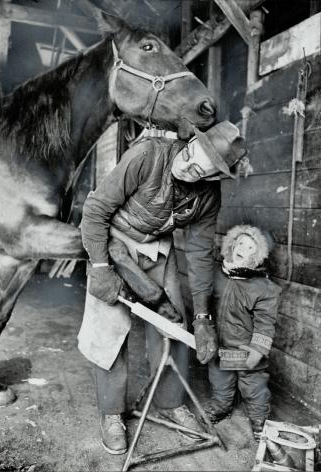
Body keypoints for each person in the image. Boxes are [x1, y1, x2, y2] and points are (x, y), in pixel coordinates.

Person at [78, 121, 247, 455]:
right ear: (191, 141)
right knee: (109, 329)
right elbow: (95, 211)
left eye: (201, 170)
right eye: (191, 155)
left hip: (157, 248)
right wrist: (99, 267)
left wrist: (202, 317)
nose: (189, 165)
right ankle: (112, 414)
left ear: (213, 176)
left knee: (173, 324)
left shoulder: (208, 197)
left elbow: (199, 255)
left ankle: (171, 403)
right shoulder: (147, 154)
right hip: (111, 243)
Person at [207, 225, 282, 434]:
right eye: (240, 243)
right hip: (220, 347)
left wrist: (258, 349)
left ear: (258, 256)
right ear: (231, 245)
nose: (243, 248)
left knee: (254, 387)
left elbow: (265, 321)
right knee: (220, 381)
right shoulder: (218, 275)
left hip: (246, 349)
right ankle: (221, 407)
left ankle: (259, 420)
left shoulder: (263, 288)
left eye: (251, 247)